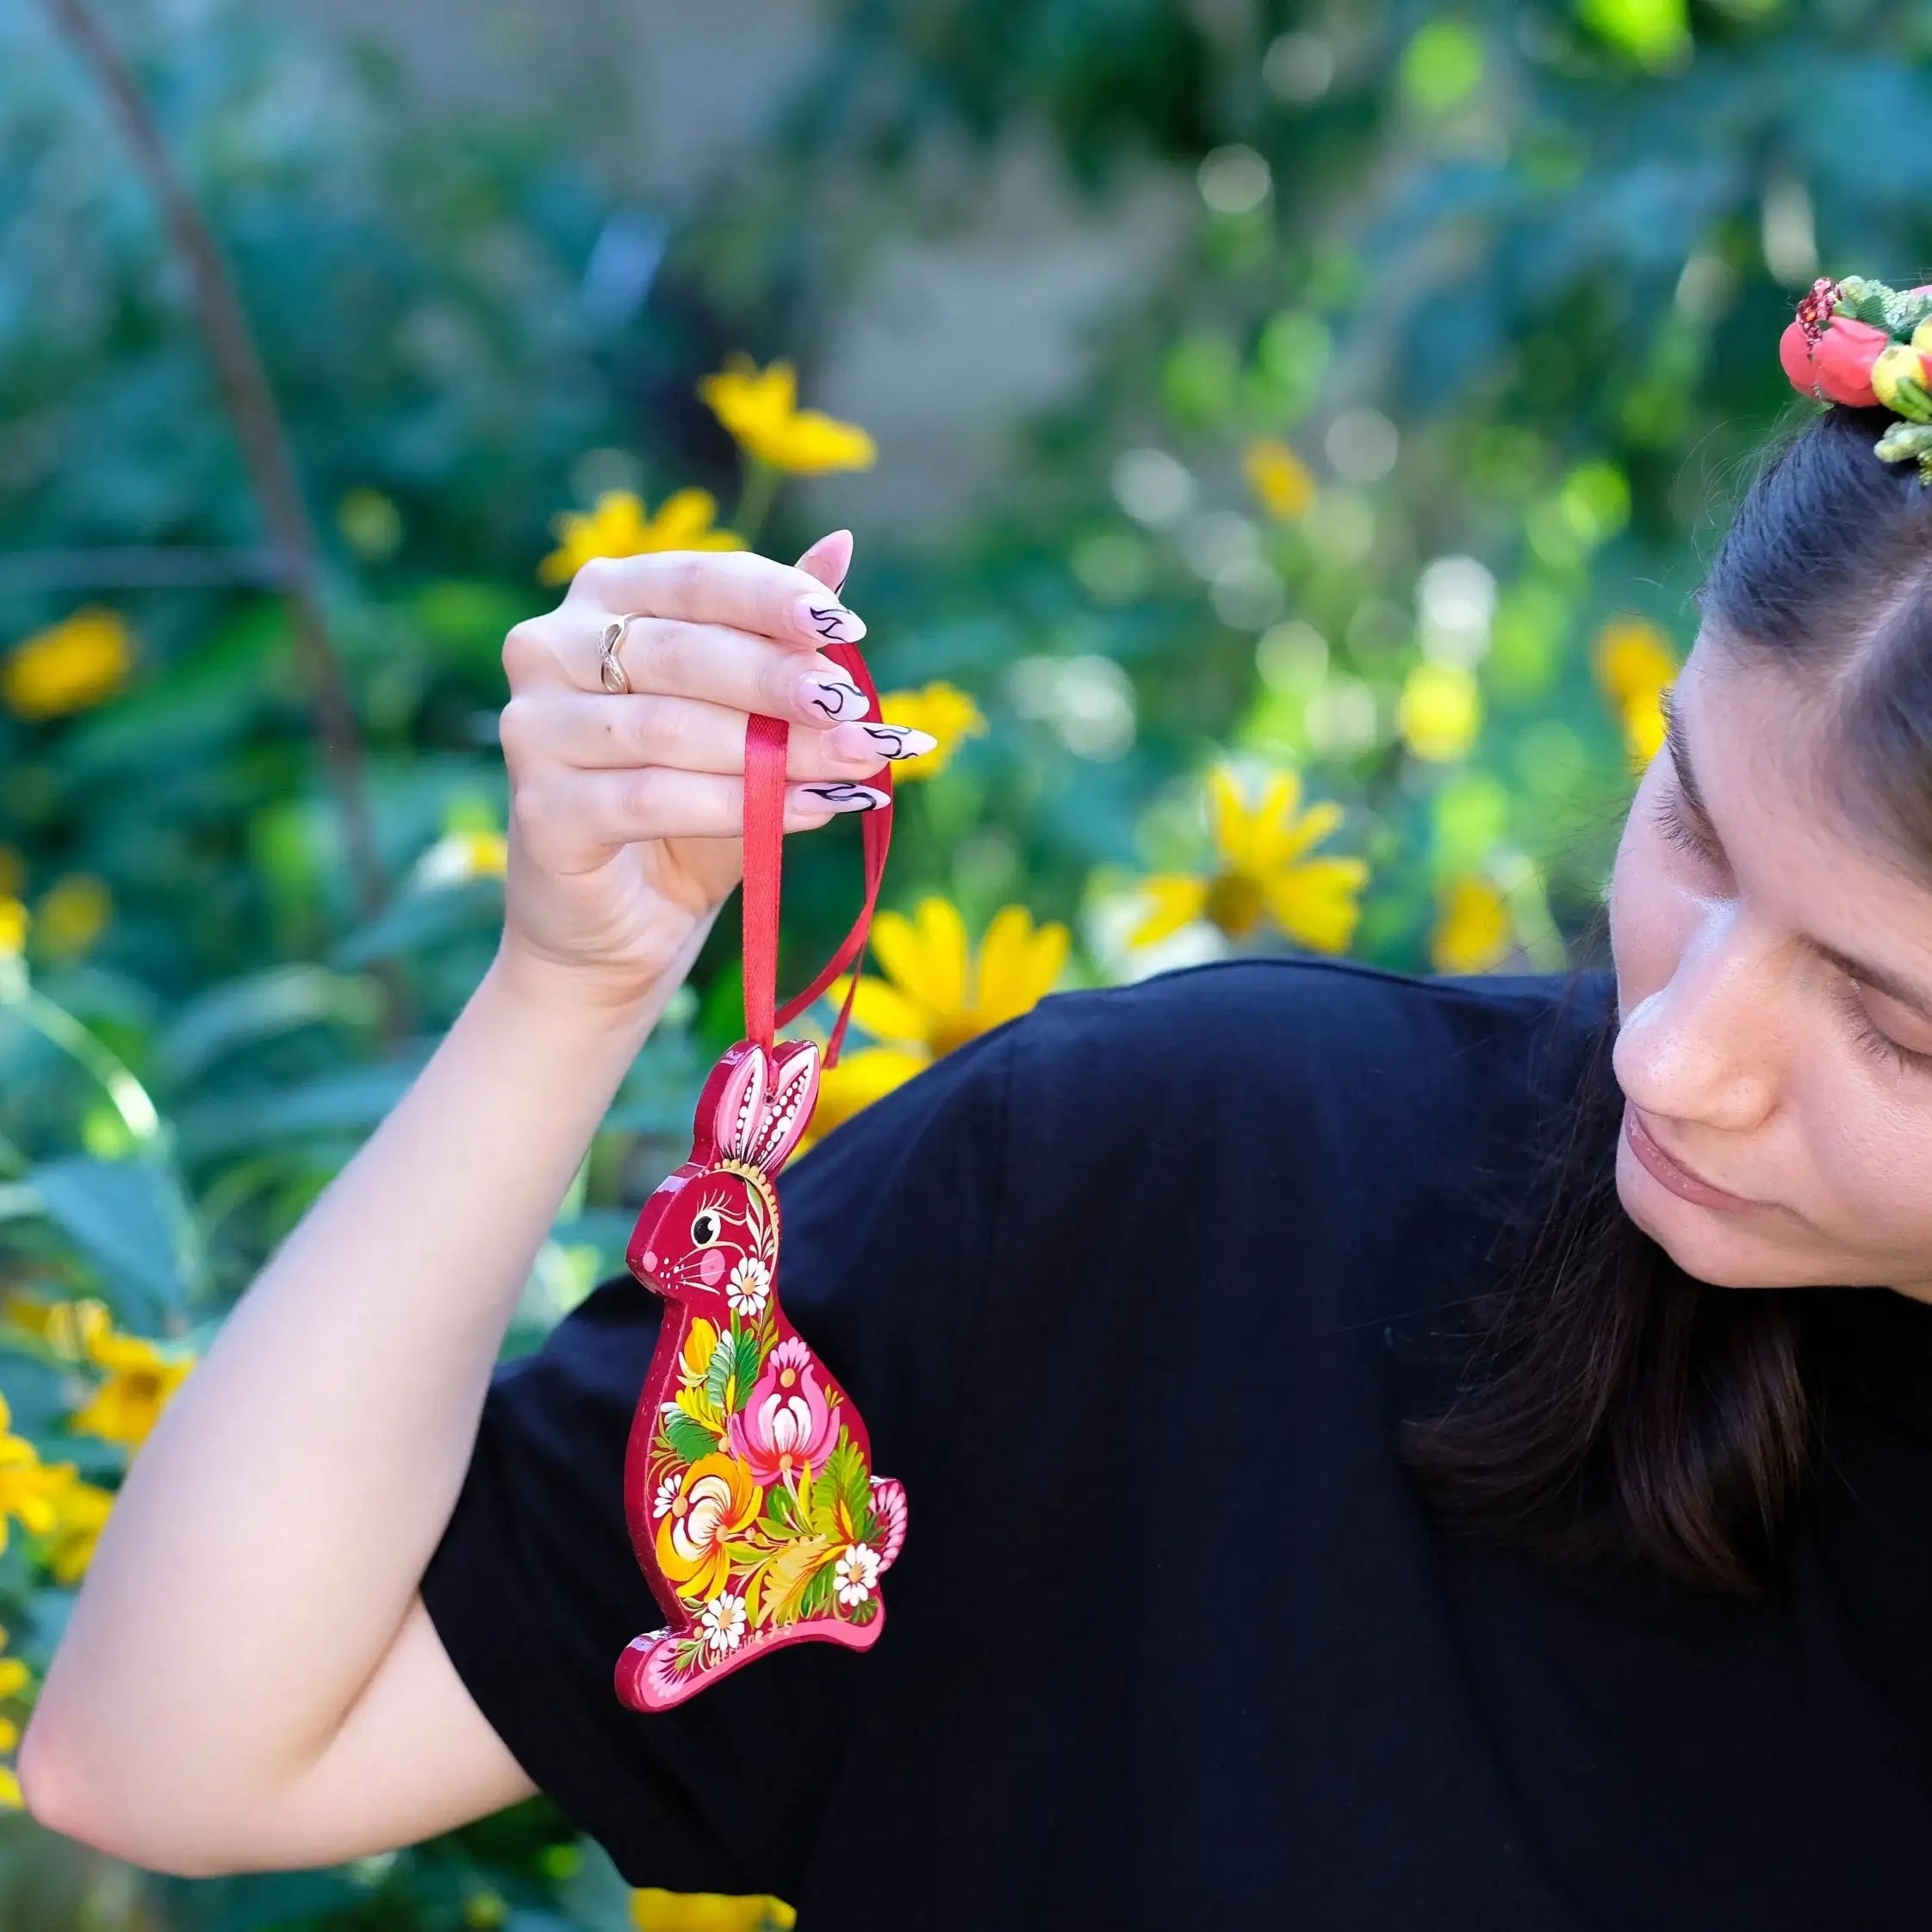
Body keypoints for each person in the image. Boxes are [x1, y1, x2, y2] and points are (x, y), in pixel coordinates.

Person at [15, 276, 1932, 1929]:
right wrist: (568, 989)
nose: (1672, 1051)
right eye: (1687, 815)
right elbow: (178, 1756)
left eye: (1893, 1026)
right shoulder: (1197, 1191)